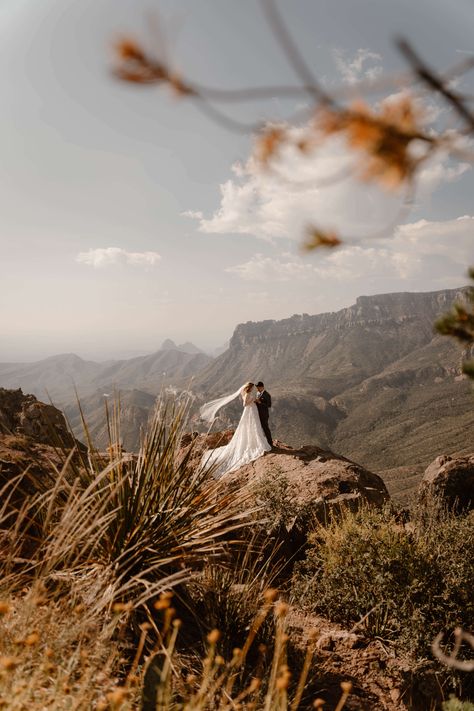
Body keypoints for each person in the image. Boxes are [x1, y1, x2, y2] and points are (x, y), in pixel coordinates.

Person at [199, 382, 271, 478]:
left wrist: (256, 401)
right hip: (250, 410)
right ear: (250, 388)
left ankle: (257, 440)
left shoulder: (257, 394)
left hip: (253, 411)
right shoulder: (247, 394)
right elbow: (245, 404)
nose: (255, 389)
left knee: (255, 426)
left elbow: (267, 404)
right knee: (251, 426)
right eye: (254, 387)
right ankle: (255, 442)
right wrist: (253, 401)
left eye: (256, 387)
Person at [255, 381, 273, 447]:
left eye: (258, 387)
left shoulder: (267, 395)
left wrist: (260, 403)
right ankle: (263, 442)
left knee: (265, 428)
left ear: (262, 387)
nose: (257, 389)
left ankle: (270, 442)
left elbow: (269, 405)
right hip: (258, 414)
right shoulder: (257, 393)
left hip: (264, 414)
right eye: (256, 387)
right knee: (259, 428)